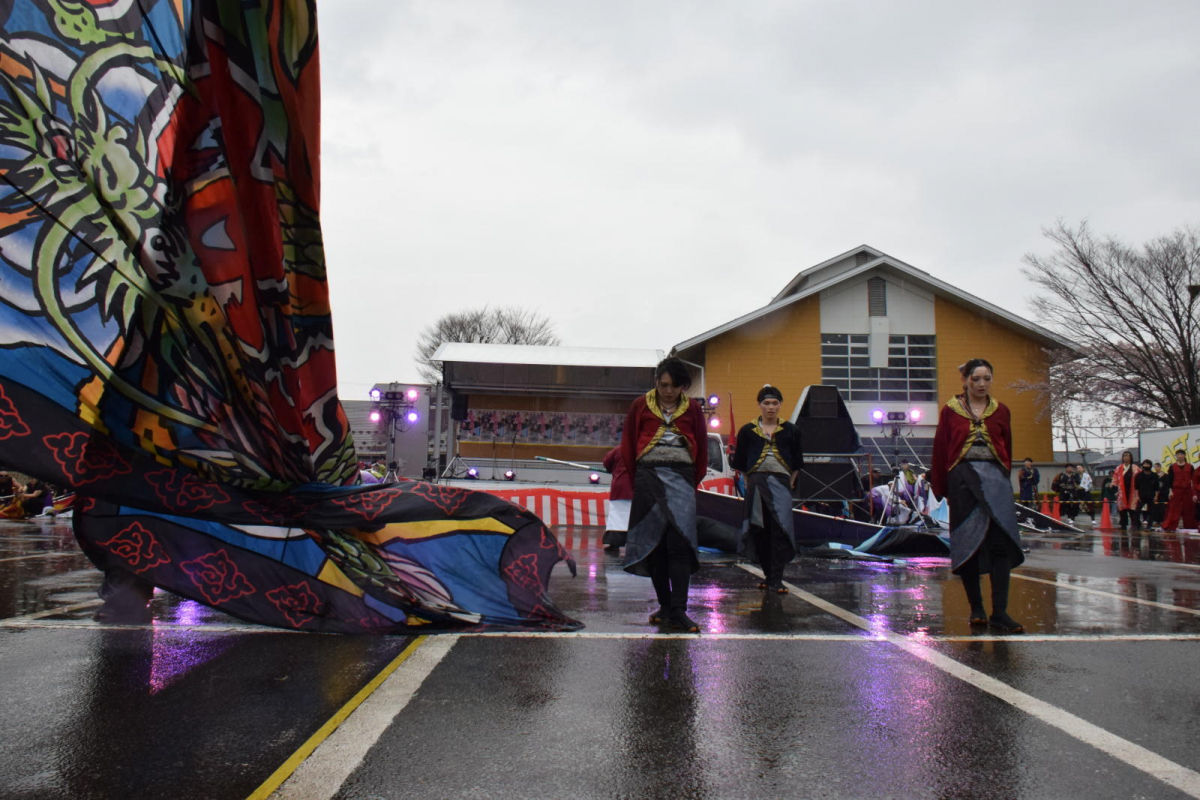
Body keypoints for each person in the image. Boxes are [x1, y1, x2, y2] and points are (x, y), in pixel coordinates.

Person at [930, 358, 1024, 634]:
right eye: (976, 379)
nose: (982, 384)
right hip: (962, 482)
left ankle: (1001, 612)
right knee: (968, 542)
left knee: (1000, 544)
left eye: (987, 379)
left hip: (995, 482)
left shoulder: (1001, 411)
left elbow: (1007, 448)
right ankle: (977, 610)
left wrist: (1004, 483)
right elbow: (941, 449)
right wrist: (942, 488)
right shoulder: (950, 411)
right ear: (965, 380)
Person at [620, 357, 708, 632]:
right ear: (657, 382)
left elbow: (702, 448)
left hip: (682, 477)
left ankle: (680, 610)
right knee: (654, 545)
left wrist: (689, 481)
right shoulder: (640, 405)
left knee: (679, 543)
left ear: (683, 386)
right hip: (648, 478)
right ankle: (665, 605)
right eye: (664, 385)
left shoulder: (692, 408)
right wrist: (641, 481)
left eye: (675, 386)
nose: (668, 391)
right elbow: (628, 445)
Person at [731, 385, 803, 593]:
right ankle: (768, 575)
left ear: (780, 405)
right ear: (759, 405)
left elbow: (797, 462)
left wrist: (790, 482)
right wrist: (749, 482)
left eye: (774, 403)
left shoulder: (791, 430)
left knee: (780, 529)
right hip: (756, 483)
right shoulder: (747, 430)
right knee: (759, 529)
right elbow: (742, 462)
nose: (771, 407)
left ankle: (776, 578)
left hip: (781, 483)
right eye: (766, 403)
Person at [601, 446, 633, 551]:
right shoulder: (643, 448)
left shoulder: (619, 449)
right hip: (638, 485)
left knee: (618, 516)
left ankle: (615, 543)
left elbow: (607, 462)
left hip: (620, 485)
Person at [1162, 449, 1198, 532]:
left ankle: (1191, 526)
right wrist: (1170, 491)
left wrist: (1194, 493)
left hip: (1188, 490)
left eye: (1181, 454)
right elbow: (1169, 481)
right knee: (1174, 509)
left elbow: (1193, 480)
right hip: (1176, 490)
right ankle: (1170, 525)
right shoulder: (1172, 467)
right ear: (1176, 456)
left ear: (1185, 456)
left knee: (1189, 508)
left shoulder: (1190, 466)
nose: (1180, 456)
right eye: (1178, 454)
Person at [1112, 451, 1138, 531]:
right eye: (1124, 456)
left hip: (1133, 490)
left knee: (1133, 508)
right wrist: (1114, 486)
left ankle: (1135, 524)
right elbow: (1115, 479)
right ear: (1122, 458)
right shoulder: (1119, 468)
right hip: (1122, 490)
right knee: (1122, 509)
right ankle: (1123, 524)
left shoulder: (1135, 468)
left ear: (1131, 457)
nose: (1126, 457)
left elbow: (1139, 479)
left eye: (1128, 455)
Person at [1134, 459, 1157, 531]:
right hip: (1141, 496)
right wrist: (1137, 496)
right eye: (1144, 464)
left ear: (1150, 465)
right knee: (1137, 511)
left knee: (1151, 512)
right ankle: (1137, 525)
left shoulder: (1154, 475)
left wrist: (1156, 496)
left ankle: (1149, 526)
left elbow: (1157, 487)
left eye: (1148, 464)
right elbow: (1136, 487)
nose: (1146, 466)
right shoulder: (1139, 475)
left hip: (1151, 495)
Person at [1153, 462, 1171, 529]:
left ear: (1160, 467)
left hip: (1164, 494)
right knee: (1155, 508)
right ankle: (1156, 521)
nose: (1156, 468)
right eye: (1155, 467)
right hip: (1155, 494)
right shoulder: (1153, 475)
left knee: (1163, 508)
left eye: (1157, 467)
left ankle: (1163, 520)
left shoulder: (1166, 476)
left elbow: (1168, 485)